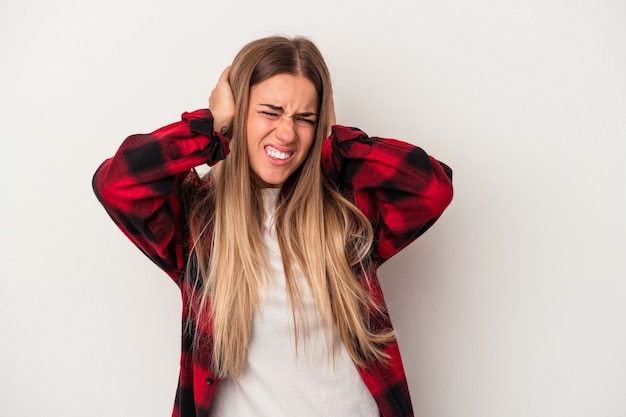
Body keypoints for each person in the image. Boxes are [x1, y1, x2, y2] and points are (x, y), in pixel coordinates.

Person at [93, 35, 453, 417]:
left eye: (304, 118)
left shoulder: (347, 215)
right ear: (239, 111)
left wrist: (332, 144)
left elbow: (431, 188)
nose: (286, 133)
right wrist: (211, 127)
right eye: (270, 111)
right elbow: (118, 184)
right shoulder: (197, 223)